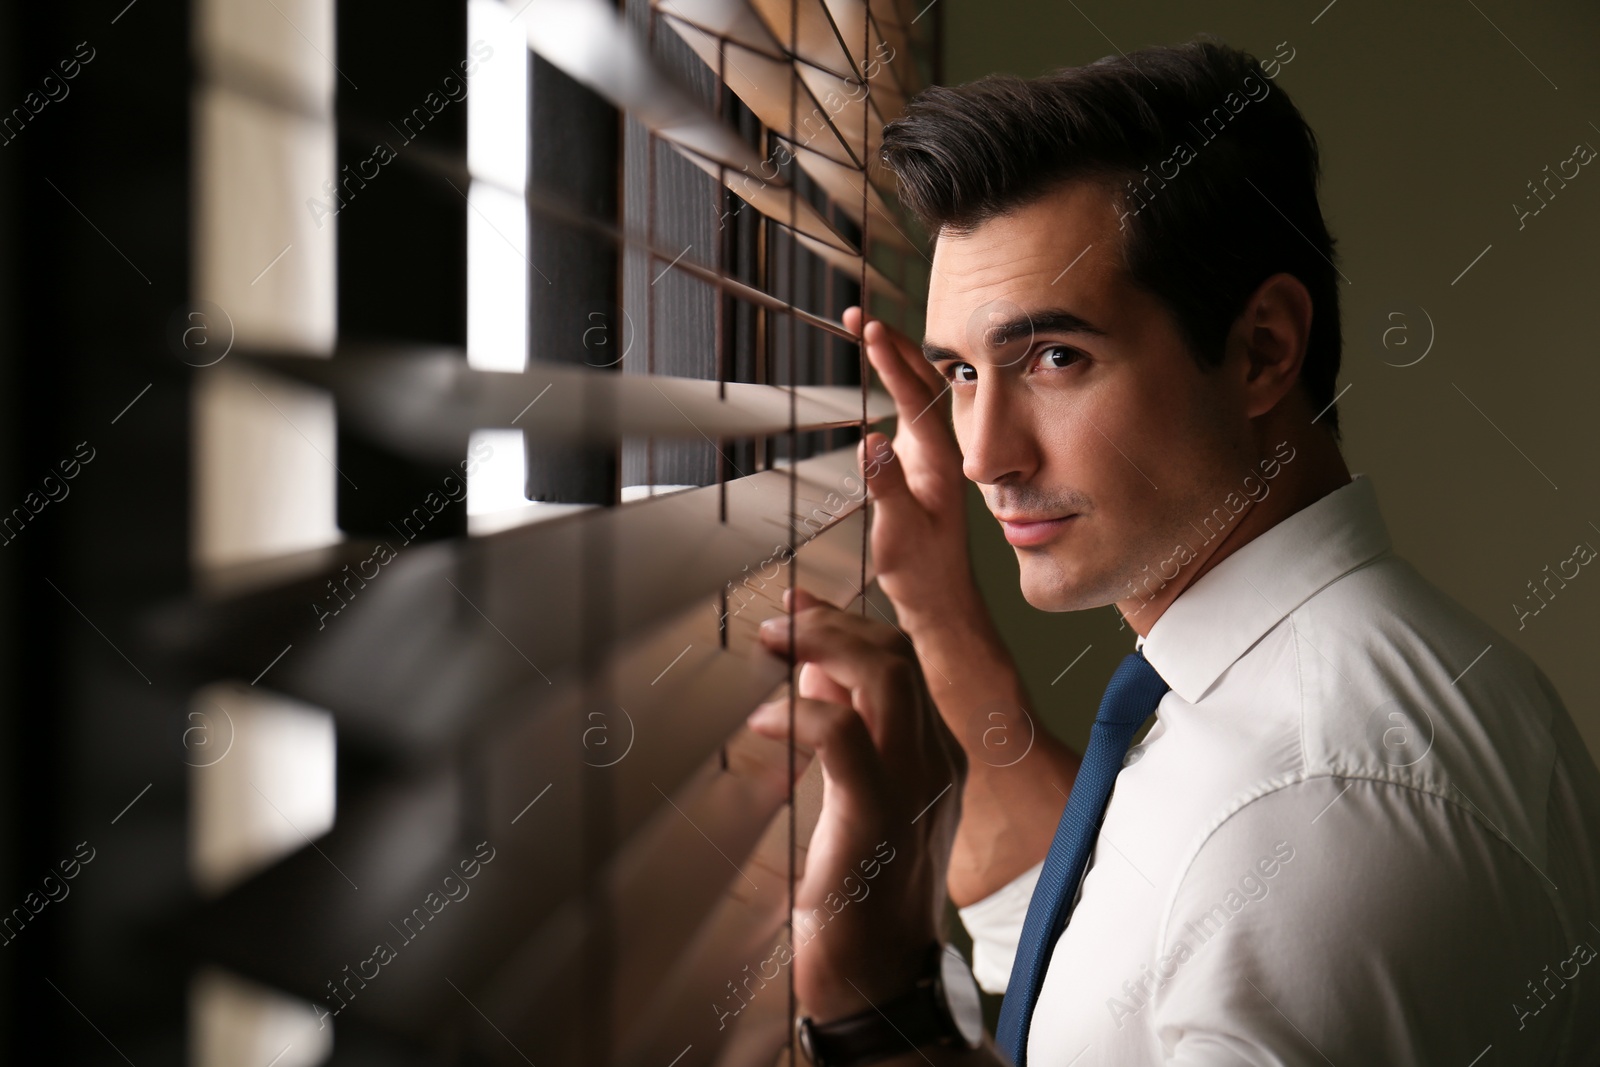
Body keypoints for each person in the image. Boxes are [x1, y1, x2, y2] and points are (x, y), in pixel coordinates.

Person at [743, 38, 1600, 1066]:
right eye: (962, 372)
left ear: (1261, 349)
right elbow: (1084, 983)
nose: (982, 456)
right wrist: (931, 606)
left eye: (1055, 357)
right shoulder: (1245, 696)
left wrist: (867, 1018)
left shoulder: (1312, 806)